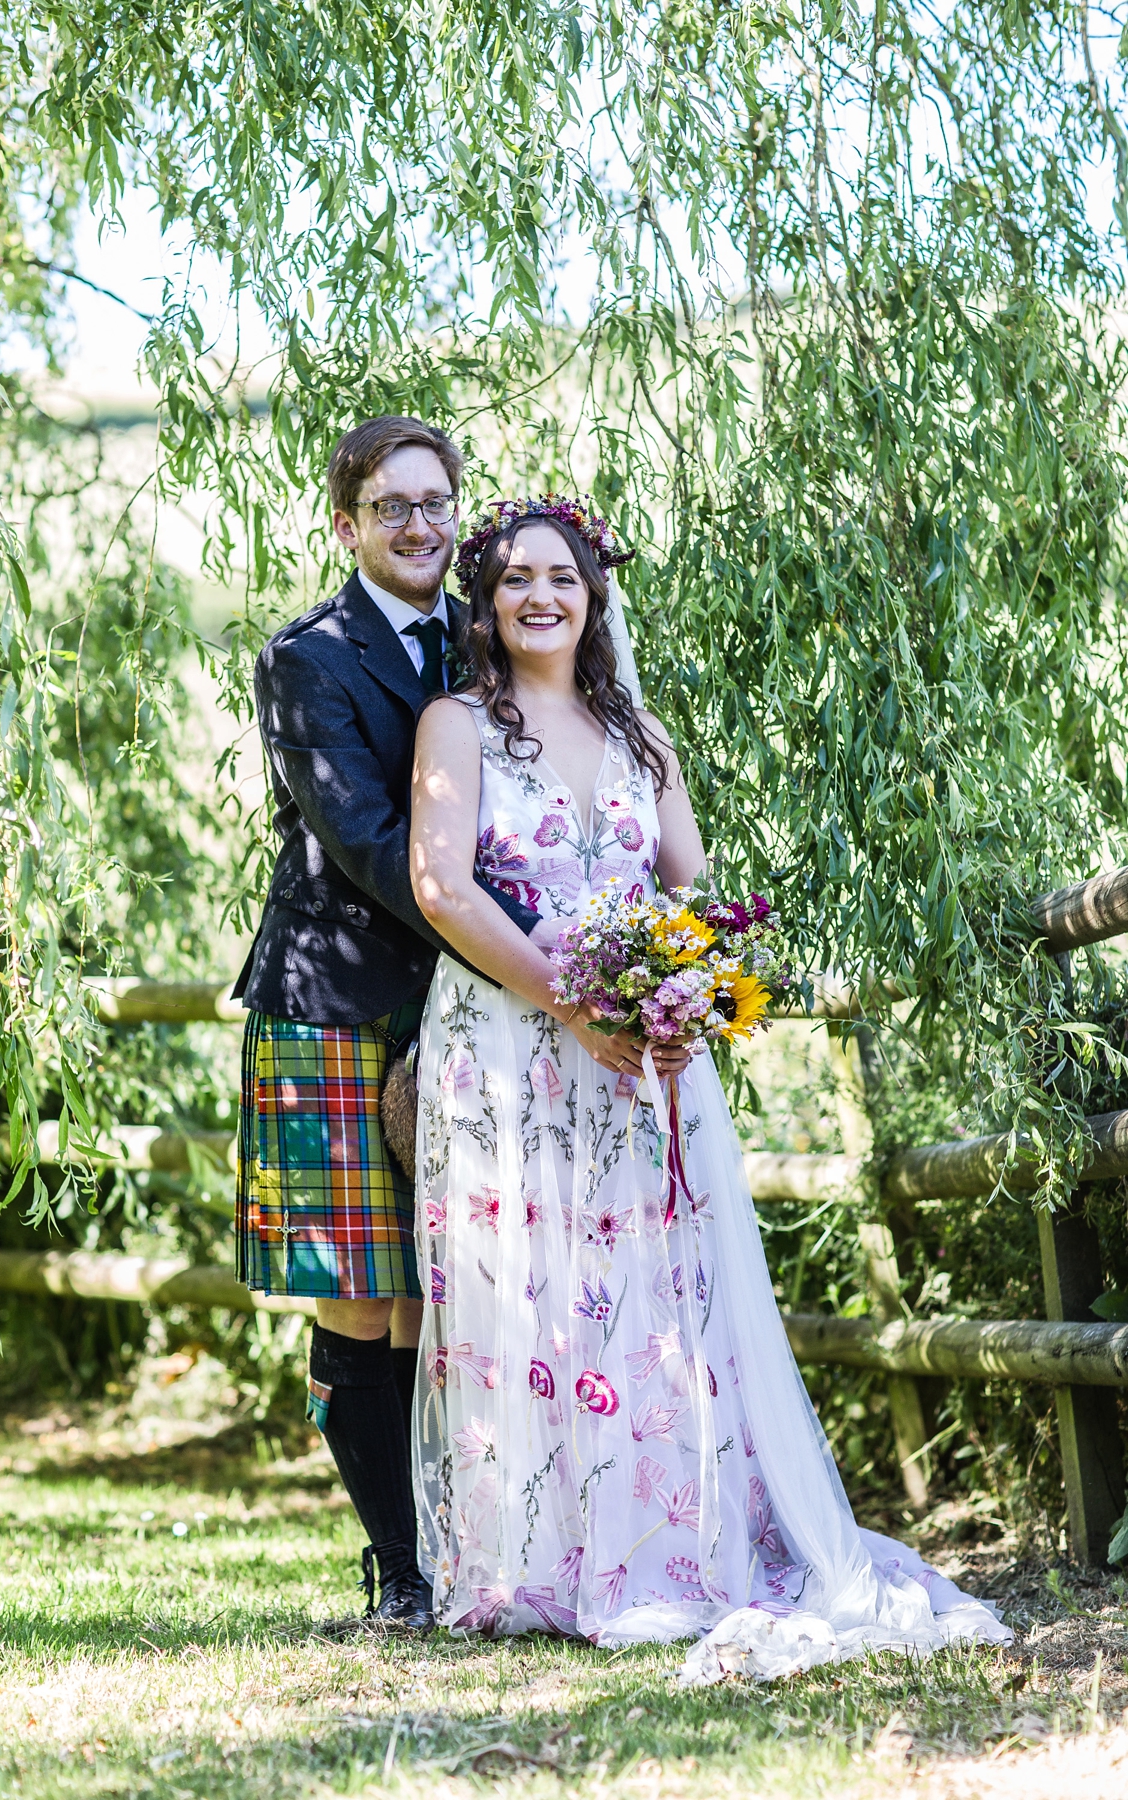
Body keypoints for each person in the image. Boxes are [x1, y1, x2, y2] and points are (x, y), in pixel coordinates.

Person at [406, 497, 1012, 1674]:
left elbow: (690, 883)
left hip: (641, 1056)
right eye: (517, 579)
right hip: (510, 1050)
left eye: (564, 578)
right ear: (485, 603)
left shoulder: (642, 737)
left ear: (595, 596)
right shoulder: (456, 727)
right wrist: (572, 1000)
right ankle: (539, 1556)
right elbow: (442, 889)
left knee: (654, 1285)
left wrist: (677, 990)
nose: (541, 597)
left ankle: (670, 1547)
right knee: (533, 1283)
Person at [232, 418, 549, 1630]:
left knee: (445, 1290)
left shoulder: (490, 643)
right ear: (347, 523)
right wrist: (529, 933)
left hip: (471, 1003)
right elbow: (371, 842)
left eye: (439, 503)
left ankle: (465, 1555)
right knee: (364, 1295)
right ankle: (399, 1569)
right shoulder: (306, 659)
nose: (422, 526)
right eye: (393, 505)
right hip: (338, 1001)